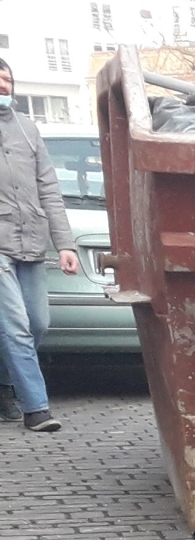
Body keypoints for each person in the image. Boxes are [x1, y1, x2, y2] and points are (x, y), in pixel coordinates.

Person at [0, 56, 76, 434]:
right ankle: (36, 408)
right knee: (14, 326)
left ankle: (3, 385)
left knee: (36, 324)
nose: (3, 86)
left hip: (31, 239)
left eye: (7, 79)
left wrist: (66, 245)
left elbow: (50, 188)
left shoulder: (28, 128)